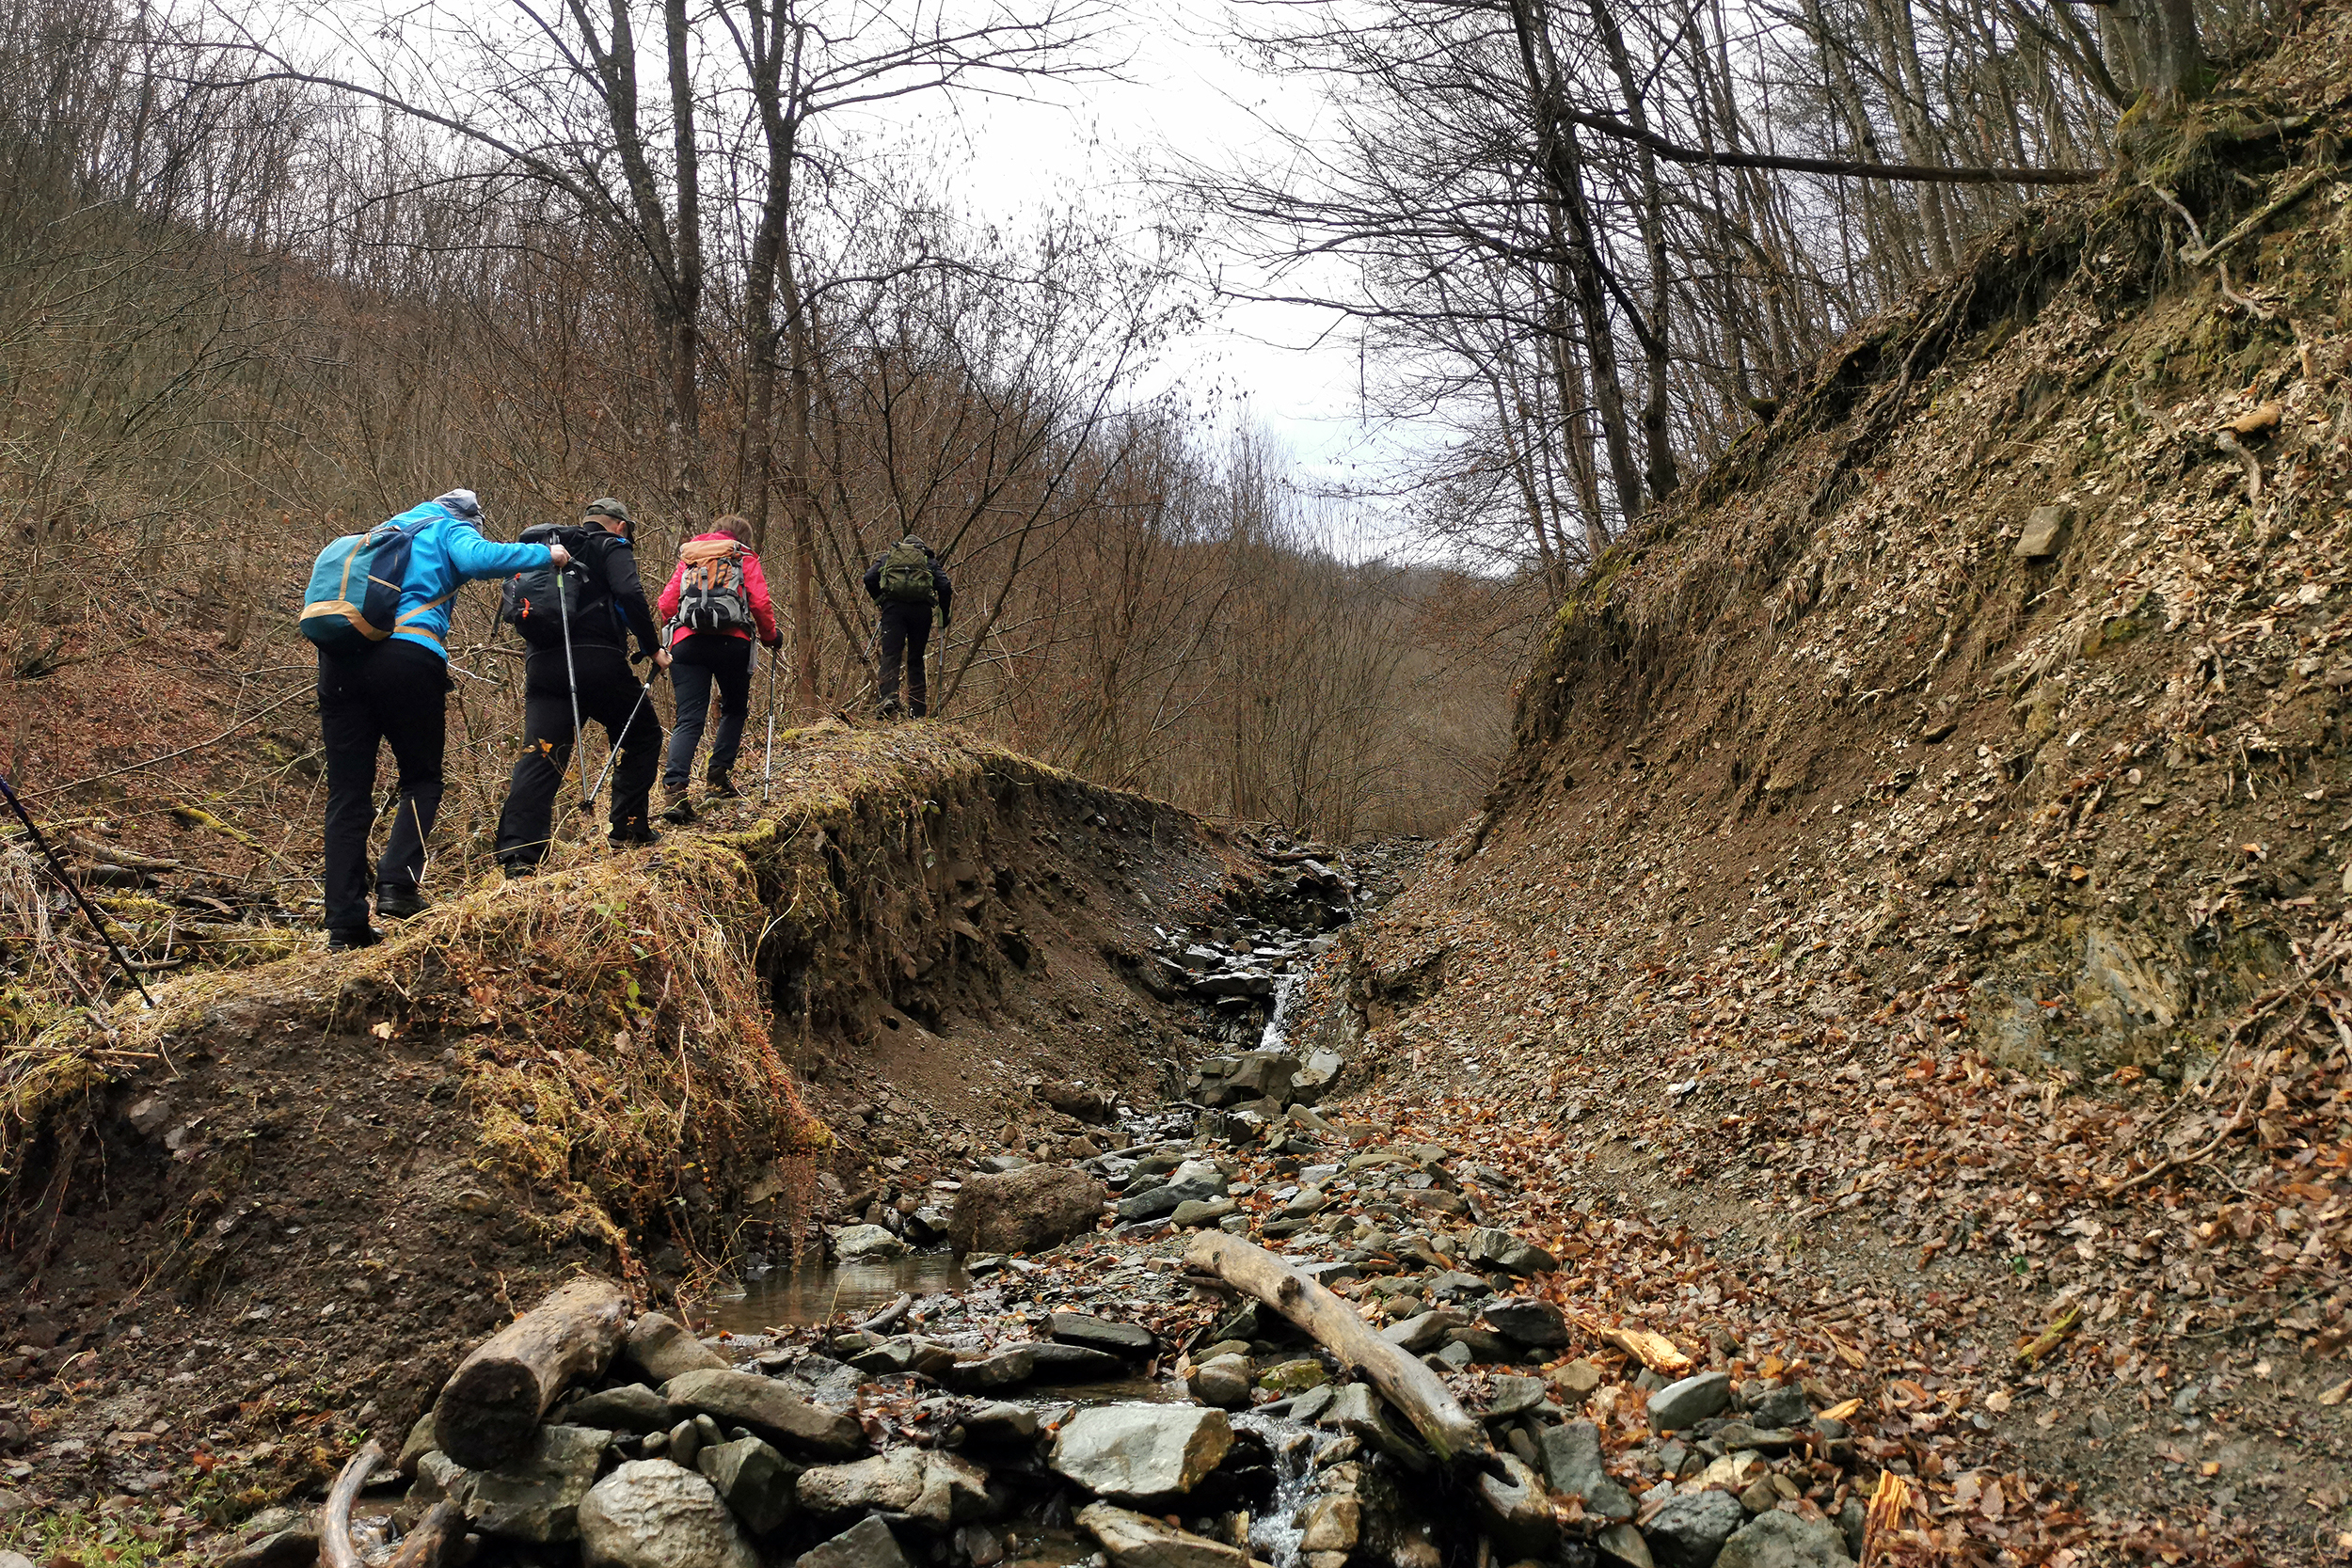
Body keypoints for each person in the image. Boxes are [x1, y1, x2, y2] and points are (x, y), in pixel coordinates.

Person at [315, 488, 564, 950]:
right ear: (468, 518)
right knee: (422, 779)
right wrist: (546, 553)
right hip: (406, 656)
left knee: (347, 795)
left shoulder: (381, 533)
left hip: (339, 662)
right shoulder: (448, 528)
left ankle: (344, 923)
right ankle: (398, 885)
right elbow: (480, 559)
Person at [492, 497, 670, 873]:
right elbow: (629, 594)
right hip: (596, 660)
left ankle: (519, 856)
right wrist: (652, 648)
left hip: (542, 666)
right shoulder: (610, 544)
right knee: (641, 734)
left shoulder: (548, 549)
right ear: (620, 525)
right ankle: (629, 827)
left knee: (541, 753)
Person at [655, 515, 782, 824]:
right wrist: (771, 636)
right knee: (734, 709)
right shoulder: (742, 555)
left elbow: (666, 604)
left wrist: (683, 626)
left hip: (687, 644)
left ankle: (675, 791)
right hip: (732, 643)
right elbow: (760, 602)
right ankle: (717, 777)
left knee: (688, 719)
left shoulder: (691, 556)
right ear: (743, 537)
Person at [862, 534, 952, 719]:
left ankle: (888, 699)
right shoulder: (929, 561)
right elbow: (945, 586)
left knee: (891, 655)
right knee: (916, 659)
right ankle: (917, 711)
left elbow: (869, 577)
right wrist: (944, 613)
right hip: (921, 611)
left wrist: (881, 599)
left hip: (893, 610)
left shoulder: (889, 557)